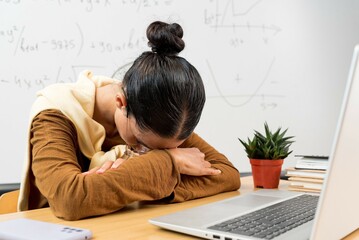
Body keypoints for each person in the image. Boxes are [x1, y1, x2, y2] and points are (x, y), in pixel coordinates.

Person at [18, 21, 241, 220]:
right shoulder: (54, 114)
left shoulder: (162, 114)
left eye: (167, 149)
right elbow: (69, 198)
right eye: (143, 142)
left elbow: (227, 175)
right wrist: (169, 162)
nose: (148, 150)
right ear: (121, 102)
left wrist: (152, 167)